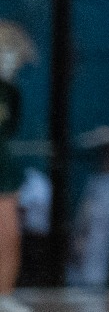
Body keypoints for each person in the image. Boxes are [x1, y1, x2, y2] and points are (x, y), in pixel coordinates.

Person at [0, 26, 32, 312]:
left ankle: (4, 294)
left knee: (9, 234)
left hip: (5, 172)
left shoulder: (11, 92)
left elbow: (9, 130)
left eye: (13, 53)